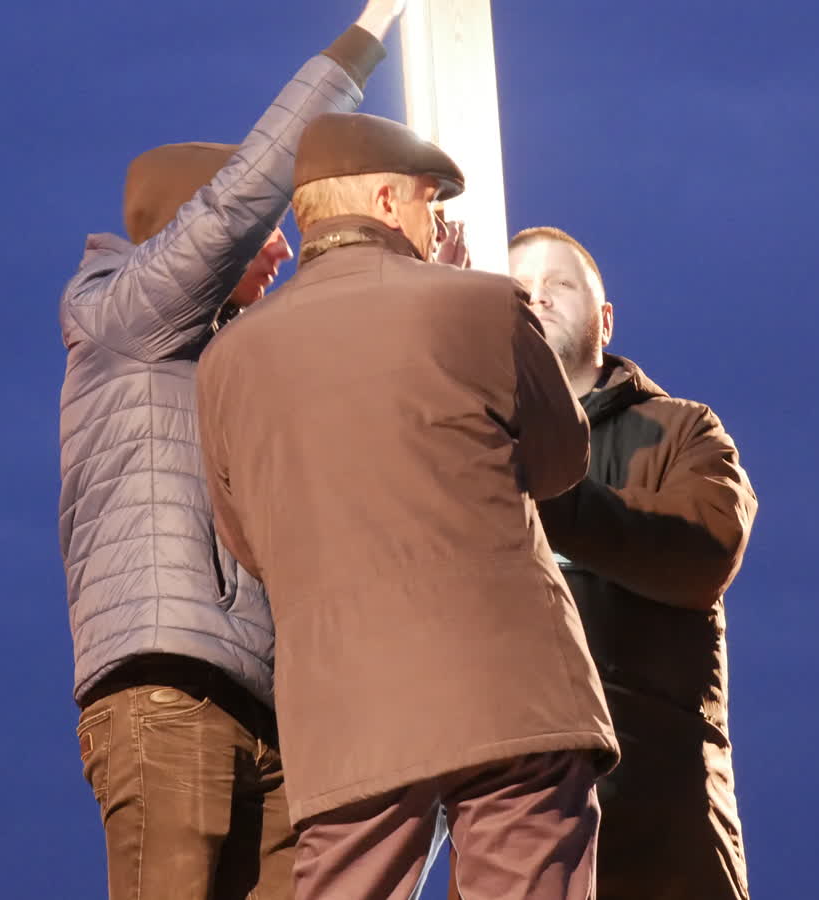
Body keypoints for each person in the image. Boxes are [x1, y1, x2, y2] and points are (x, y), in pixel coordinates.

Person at [195, 112, 618, 900]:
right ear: (387, 202)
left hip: (344, 710)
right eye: (430, 202)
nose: (437, 224)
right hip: (509, 687)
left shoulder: (226, 361)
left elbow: (246, 541)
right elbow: (563, 459)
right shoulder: (484, 305)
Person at [56, 5, 407, 897]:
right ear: (187, 230)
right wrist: (362, 43)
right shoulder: (121, 321)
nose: (282, 245)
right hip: (172, 697)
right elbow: (233, 206)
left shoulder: (240, 364)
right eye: (265, 229)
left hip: (277, 719)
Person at [500, 226, 760, 899]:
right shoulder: (471, 445)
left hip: (661, 813)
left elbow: (704, 549)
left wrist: (544, 497)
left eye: (559, 285)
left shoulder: (683, 430)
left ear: (606, 320)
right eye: (520, 289)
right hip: (513, 808)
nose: (538, 297)